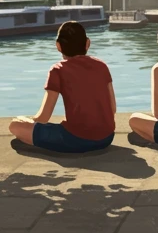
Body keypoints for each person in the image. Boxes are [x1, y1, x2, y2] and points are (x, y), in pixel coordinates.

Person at [7, 21, 115, 154]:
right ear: (88, 43)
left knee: (15, 125)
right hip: (107, 138)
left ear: (58, 46)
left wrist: (25, 120)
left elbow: (43, 118)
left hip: (76, 140)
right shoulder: (102, 66)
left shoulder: (58, 70)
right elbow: (112, 108)